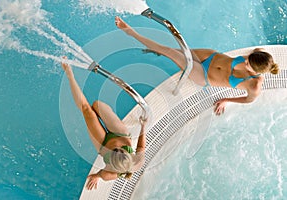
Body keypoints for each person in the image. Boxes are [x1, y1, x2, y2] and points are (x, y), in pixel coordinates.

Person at [115, 16, 279, 115]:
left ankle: (129, 31)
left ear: (256, 72)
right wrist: (259, 56)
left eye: (248, 64)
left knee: (169, 52)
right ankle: (156, 50)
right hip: (210, 55)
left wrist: (226, 100)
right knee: (173, 50)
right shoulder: (260, 58)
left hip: (204, 75)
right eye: (247, 58)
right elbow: (260, 50)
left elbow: (248, 100)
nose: (245, 61)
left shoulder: (254, 85)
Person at [61, 57, 147, 190]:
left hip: (102, 144)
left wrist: (97, 176)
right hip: (120, 134)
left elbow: (100, 174)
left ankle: (69, 73)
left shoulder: (109, 174)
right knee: (96, 104)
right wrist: (143, 126)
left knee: (87, 110)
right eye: (122, 151)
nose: (118, 149)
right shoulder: (137, 163)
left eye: (114, 152)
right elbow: (141, 146)